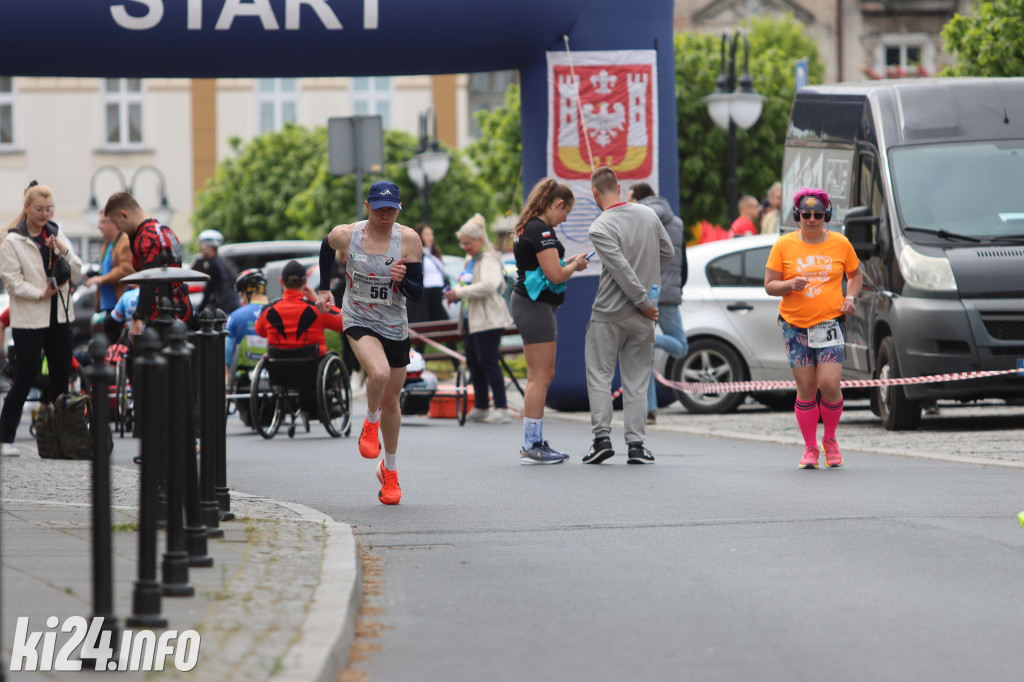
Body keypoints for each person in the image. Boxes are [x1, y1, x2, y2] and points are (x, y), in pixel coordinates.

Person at [315, 181, 423, 505]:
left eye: (391, 209)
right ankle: (370, 422)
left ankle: (389, 471)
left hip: (395, 324)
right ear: (367, 207)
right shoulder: (349, 235)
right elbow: (325, 245)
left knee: (392, 400)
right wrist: (323, 288)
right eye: (379, 209)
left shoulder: (408, 240)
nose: (385, 215)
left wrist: (404, 281)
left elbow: (417, 293)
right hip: (358, 317)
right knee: (378, 374)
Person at [764, 187, 862, 469]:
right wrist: (787, 285)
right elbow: (770, 285)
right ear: (798, 216)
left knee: (830, 384)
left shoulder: (841, 243)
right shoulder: (784, 245)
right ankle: (810, 448)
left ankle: (829, 439)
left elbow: (855, 275)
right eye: (805, 214)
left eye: (817, 214)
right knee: (806, 387)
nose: (811, 219)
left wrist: (850, 298)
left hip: (830, 322)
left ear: (826, 216)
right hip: (795, 325)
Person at [582, 167, 673, 465]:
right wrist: (646, 295)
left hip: (609, 312)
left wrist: (641, 300)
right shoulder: (648, 215)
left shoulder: (599, 227)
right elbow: (667, 251)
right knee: (636, 380)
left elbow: (620, 268)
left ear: (595, 193)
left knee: (600, 376)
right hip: (643, 316)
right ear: (619, 186)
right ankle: (636, 445)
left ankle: (601, 439)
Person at [510, 178, 589, 465]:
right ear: (557, 203)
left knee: (540, 376)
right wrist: (576, 265)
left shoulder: (528, 226)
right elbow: (555, 274)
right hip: (534, 305)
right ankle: (532, 445)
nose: (565, 218)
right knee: (540, 377)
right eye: (565, 212)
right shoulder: (540, 229)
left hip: (533, 304)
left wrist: (569, 263)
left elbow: (551, 269)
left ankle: (535, 442)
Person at [0, 183, 82, 456]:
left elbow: (77, 269)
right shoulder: (13, 240)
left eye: (48, 209)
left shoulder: (56, 233)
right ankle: (5, 438)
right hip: (30, 317)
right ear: (26, 208)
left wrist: (62, 248)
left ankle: (57, 438)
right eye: (39, 209)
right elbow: (12, 283)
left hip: (59, 313)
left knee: (61, 375)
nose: (44, 214)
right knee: (25, 375)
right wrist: (40, 293)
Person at [444, 213, 514, 424]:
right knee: (475, 362)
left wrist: (459, 293)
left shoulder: (489, 258)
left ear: (479, 240)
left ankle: (501, 407)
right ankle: (482, 406)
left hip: (487, 319)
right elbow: (468, 285)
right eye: (462, 243)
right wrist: (457, 293)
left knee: (488, 361)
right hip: (471, 320)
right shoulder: (472, 259)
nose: (464, 247)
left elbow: (489, 285)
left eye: (467, 243)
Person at [628, 182, 689, 425]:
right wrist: (678, 287)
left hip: (645, 291)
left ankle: (650, 409)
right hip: (669, 293)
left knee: (648, 351)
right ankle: (649, 410)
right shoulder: (677, 222)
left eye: (631, 198)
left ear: (639, 198)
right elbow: (682, 261)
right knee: (680, 346)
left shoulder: (638, 219)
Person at [103, 191, 194, 336]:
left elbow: (149, 280)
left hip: (163, 315)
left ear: (124, 215)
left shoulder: (145, 237)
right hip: (182, 306)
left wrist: (138, 316)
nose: (118, 228)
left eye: (115, 222)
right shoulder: (163, 229)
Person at [256, 261, 343, 356]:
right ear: (305, 282)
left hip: (278, 366)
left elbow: (260, 332)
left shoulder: (268, 310)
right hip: (312, 366)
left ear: (281, 281)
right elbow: (342, 322)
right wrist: (316, 300)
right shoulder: (316, 310)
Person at [225, 269, 270, 426]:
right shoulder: (276, 310)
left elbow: (227, 356)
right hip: (276, 375)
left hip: (246, 380)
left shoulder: (236, 316)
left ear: (248, 290)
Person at [85, 209, 135, 342]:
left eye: (102, 222)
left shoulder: (124, 241)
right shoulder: (108, 243)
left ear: (113, 223)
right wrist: (95, 275)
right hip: (109, 305)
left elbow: (126, 269)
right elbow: (109, 269)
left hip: (119, 305)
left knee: (117, 343)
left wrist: (101, 279)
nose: (98, 226)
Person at [407, 223, 449, 324]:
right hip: (424, 296)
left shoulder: (434, 254)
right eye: (427, 234)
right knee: (423, 324)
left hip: (437, 294)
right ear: (419, 236)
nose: (431, 237)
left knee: (445, 322)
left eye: (431, 234)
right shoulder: (417, 254)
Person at [195, 229, 241, 315]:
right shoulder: (221, 261)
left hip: (226, 307)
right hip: (233, 303)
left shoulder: (214, 264)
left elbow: (209, 289)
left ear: (210, 247)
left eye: (202, 246)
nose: (201, 250)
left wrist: (199, 309)